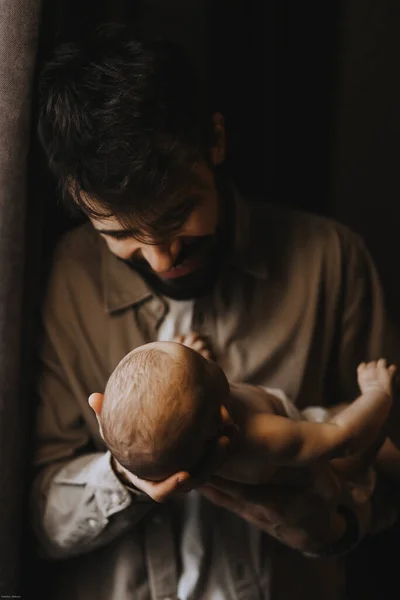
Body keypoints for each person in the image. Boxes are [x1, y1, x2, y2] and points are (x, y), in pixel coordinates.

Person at [32, 25, 400, 600]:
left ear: (216, 141)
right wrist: (125, 477)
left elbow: (389, 487)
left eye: (178, 213)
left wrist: (327, 528)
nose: (161, 256)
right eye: (122, 234)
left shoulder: (331, 260)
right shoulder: (65, 279)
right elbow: (36, 522)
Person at [94, 337, 395, 485]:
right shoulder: (260, 433)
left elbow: (167, 392)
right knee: (374, 446)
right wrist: (376, 392)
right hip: (319, 464)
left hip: (303, 419)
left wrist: (183, 362)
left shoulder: (198, 414)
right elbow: (340, 438)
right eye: (203, 364)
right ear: (223, 418)